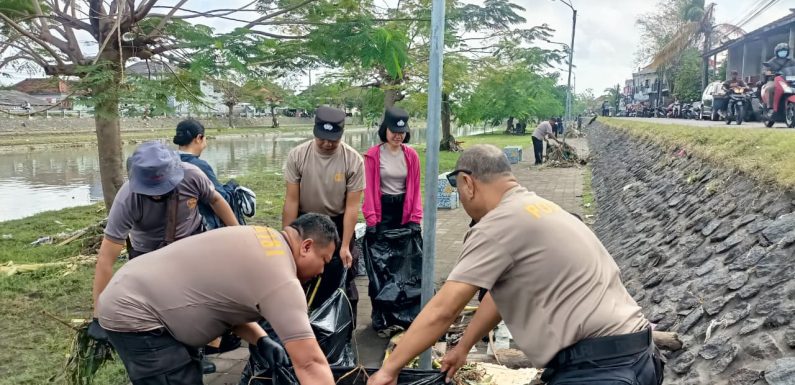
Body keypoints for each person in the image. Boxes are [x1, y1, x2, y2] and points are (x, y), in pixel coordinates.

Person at [367, 145, 662, 385]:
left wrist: (389, 369)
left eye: (458, 190)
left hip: (599, 370)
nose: (462, 199)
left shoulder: (497, 225)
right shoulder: (542, 208)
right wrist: (464, 346)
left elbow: (444, 309)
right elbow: (501, 294)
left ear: (468, 183)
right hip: (640, 357)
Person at [95, 215, 339, 385]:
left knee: (186, 373)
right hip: (136, 311)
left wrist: (261, 339)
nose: (321, 272)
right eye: (324, 261)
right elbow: (310, 364)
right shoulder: (283, 279)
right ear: (306, 246)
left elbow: (225, 301)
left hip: (137, 289)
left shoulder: (267, 239)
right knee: (173, 378)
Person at [282, 106, 365, 315]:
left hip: (337, 222)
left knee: (341, 271)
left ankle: (343, 331)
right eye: (322, 139)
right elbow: (291, 201)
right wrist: (286, 240)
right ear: (314, 132)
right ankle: (300, 321)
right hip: (306, 222)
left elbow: (352, 207)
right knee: (300, 272)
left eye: (333, 140)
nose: (327, 144)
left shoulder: (353, 160)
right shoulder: (298, 155)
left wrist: (345, 245)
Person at [361, 106, 423, 337]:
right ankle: (383, 318)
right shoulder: (373, 155)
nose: (398, 135)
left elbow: (415, 189)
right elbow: (368, 189)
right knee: (382, 268)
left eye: (402, 132)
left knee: (406, 267)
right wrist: (372, 221)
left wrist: (415, 219)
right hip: (382, 212)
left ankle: (405, 315)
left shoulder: (411, 155)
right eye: (393, 131)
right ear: (384, 130)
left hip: (404, 213)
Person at [174, 119, 254, 229]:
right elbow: (221, 197)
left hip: (174, 222)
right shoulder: (199, 166)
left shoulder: (168, 162)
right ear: (199, 138)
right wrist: (232, 187)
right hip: (198, 224)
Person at [762, 42, 795, 109]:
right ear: (777, 52)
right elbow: (765, 70)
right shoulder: (772, 61)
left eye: (785, 51)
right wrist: (768, 72)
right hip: (774, 79)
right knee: (770, 88)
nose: (783, 52)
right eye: (781, 51)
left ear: (787, 52)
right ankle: (770, 107)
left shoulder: (791, 61)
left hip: (789, 80)